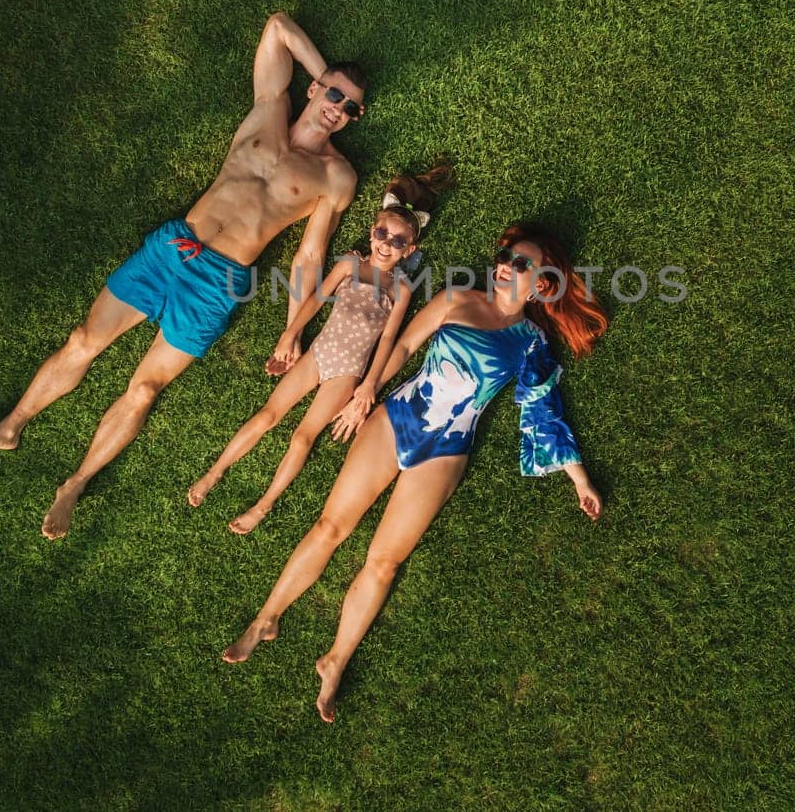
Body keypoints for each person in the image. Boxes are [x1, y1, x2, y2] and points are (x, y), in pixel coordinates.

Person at [0, 12, 363, 540]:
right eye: (333, 95)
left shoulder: (336, 176)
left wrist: (293, 330)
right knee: (83, 340)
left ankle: (74, 484)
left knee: (144, 390)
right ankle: (10, 427)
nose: (338, 110)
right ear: (314, 87)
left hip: (220, 284)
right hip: (172, 249)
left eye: (350, 108)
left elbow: (311, 255)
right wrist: (325, 75)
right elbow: (278, 27)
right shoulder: (268, 110)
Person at [221, 224, 607, 722]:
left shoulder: (530, 342)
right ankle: (266, 619)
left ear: (542, 284)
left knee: (383, 563)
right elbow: (401, 348)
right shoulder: (454, 298)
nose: (507, 263)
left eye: (522, 263)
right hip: (398, 417)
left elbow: (542, 409)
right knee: (330, 526)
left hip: (447, 450)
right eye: (507, 254)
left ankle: (335, 661)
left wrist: (579, 479)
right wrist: (366, 393)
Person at [187, 168, 452, 533]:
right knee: (267, 415)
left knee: (302, 437)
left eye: (396, 241)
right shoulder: (349, 264)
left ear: (409, 250)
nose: (385, 243)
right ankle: (214, 472)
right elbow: (314, 301)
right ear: (373, 230)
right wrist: (290, 334)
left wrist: (367, 387)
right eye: (381, 233)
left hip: (347, 372)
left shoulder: (401, 289)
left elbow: (389, 341)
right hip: (318, 354)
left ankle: (263, 506)